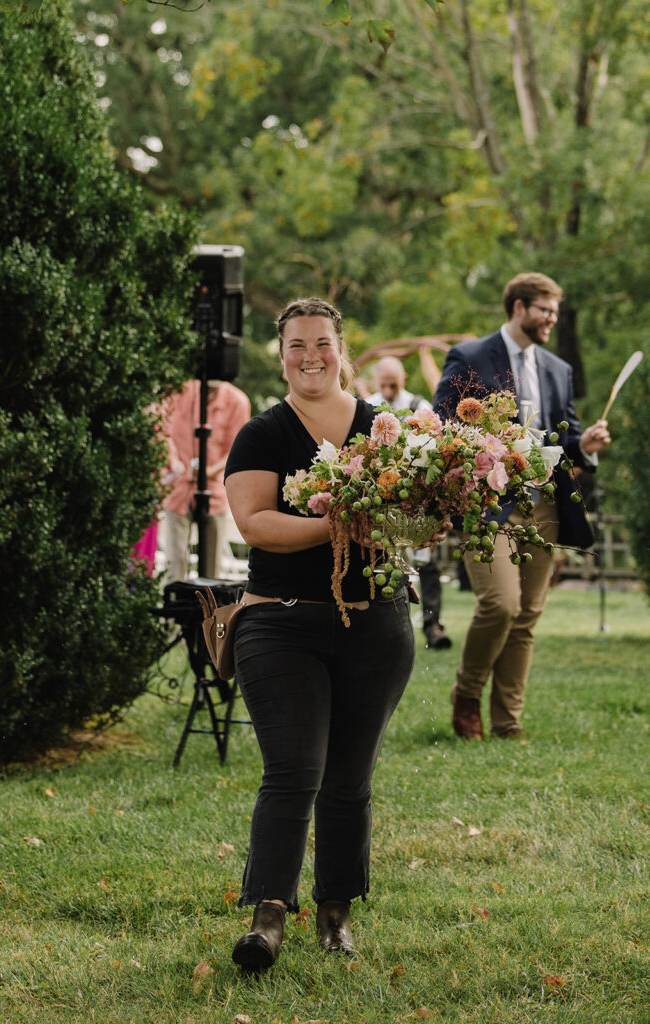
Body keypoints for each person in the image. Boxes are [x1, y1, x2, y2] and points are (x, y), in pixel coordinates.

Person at [224, 298, 445, 971]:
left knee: (348, 780)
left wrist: (427, 520)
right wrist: (339, 524)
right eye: (296, 345)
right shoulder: (263, 434)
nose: (310, 356)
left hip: (375, 623)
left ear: (341, 348)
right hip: (280, 620)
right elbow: (254, 524)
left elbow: (418, 517)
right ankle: (267, 917)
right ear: (281, 353)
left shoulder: (390, 430)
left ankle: (335, 914)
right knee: (293, 771)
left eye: (321, 343)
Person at [434, 272, 611, 740]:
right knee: (501, 604)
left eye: (554, 310)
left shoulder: (558, 368)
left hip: (545, 503)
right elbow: (441, 423)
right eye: (544, 309)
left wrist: (585, 444)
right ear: (518, 307)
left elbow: (564, 435)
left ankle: (507, 721)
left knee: (527, 614)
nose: (552, 317)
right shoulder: (469, 356)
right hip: (488, 505)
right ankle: (467, 693)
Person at [367, 356, 452, 650]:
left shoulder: (420, 406)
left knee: (426, 562)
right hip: (382, 496)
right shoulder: (367, 405)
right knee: (384, 560)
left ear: (403, 379)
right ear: (377, 381)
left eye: (394, 384)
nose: (389, 390)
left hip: (416, 493)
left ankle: (432, 623)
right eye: (384, 384)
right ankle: (385, 626)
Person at [161, 379, 250, 583]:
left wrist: (208, 472)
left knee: (211, 570)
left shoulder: (237, 401)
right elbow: (164, 432)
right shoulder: (180, 391)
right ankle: (175, 614)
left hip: (214, 491)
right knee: (175, 564)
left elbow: (236, 448)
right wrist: (175, 463)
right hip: (178, 489)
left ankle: (209, 614)